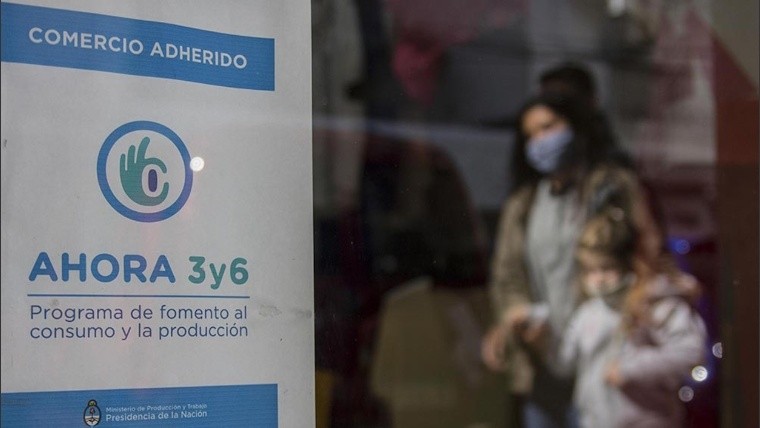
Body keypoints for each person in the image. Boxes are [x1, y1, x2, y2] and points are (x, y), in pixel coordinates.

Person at [480, 91, 665, 427]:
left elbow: (645, 254)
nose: (541, 141)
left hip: (604, 359)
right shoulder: (524, 204)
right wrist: (515, 315)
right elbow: (508, 275)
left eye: (549, 127)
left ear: (574, 127)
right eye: (531, 135)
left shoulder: (612, 187)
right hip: (544, 363)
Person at [539, 208, 705, 427]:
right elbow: (565, 362)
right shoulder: (588, 313)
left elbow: (690, 351)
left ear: (629, 262)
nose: (598, 279)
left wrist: (629, 369)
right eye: (590, 270)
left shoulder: (653, 303)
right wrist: (542, 339)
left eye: (607, 268)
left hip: (648, 420)